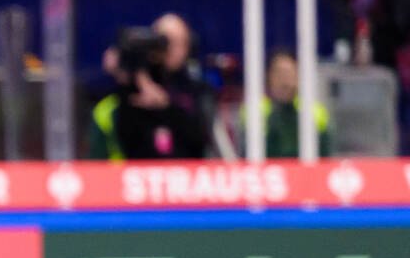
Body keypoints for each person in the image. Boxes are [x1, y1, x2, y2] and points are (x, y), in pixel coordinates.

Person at [89, 13, 213, 160]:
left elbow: (201, 139)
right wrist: (129, 75)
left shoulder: (195, 87)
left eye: (178, 43)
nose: (170, 49)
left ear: (188, 47)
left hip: (184, 169)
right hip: (138, 169)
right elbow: (123, 136)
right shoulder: (136, 80)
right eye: (164, 41)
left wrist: (166, 107)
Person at [239, 49, 331, 159]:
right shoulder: (254, 110)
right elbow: (248, 153)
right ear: (269, 76)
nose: (284, 80)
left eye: (289, 73)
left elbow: (326, 154)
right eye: (279, 73)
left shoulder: (315, 111)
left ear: (298, 77)